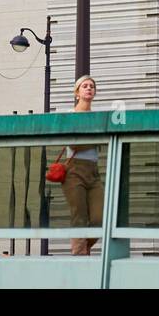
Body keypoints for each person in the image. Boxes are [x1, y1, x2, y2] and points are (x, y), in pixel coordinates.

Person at [62, 76, 103, 255]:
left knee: (99, 218)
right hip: (74, 171)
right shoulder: (70, 115)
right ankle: (79, 257)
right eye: (84, 86)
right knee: (79, 215)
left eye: (91, 86)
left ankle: (82, 249)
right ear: (77, 92)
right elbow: (73, 144)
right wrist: (95, 138)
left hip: (93, 171)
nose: (89, 89)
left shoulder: (97, 117)